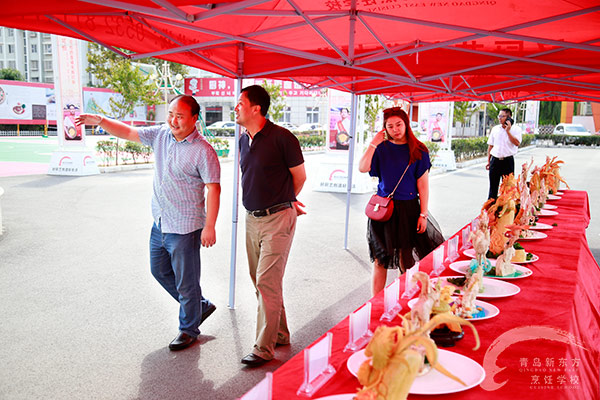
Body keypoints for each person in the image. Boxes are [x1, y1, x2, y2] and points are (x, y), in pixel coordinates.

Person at [75, 95, 221, 351]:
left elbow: (214, 189)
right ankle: (199, 306)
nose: (173, 120)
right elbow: (129, 132)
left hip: (185, 226)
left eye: (180, 116)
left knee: (187, 282)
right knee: (159, 271)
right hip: (161, 221)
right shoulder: (162, 134)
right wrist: (101, 120)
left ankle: (188, 329)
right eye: (171, 113)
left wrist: (210, 226)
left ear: (194, 119)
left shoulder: (203, 150)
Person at [235, 85, 306, 367]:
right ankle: (279, 333)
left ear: (256, 108)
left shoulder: (283, 138)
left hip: (278, 217)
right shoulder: (243, 140)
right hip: (252, 219)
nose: (236, 107)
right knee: (262, 281)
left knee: (266, 281)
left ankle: (263, 349)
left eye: (240, 103)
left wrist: (287, 200)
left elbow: (299, 177)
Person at [359, 107, 443, 296]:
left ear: (406, 124)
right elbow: (363, 167)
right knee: (380, 260)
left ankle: (404, 302)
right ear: (385, 129)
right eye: (390, 126)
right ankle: (375, 304)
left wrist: (423, 214)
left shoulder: (419, 150)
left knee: (406, 259)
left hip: (408, 210)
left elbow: (423, 186)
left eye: (399, 124)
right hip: (384, 210)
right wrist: (374, 142)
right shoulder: (381, 149)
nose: (395, 129)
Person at [486, 108, 522, 199]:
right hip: (495, 160)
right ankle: (490, 209)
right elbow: (490, 146)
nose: (499, 118)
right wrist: (488, 161)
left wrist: (508, 131)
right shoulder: (495, 129)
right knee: (493, 188)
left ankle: (505, 209)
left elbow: (517, 143)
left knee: (508, 188)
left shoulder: (516, 129)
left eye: (502, 116)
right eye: (499, 116)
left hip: (507, 161)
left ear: (509, 117)